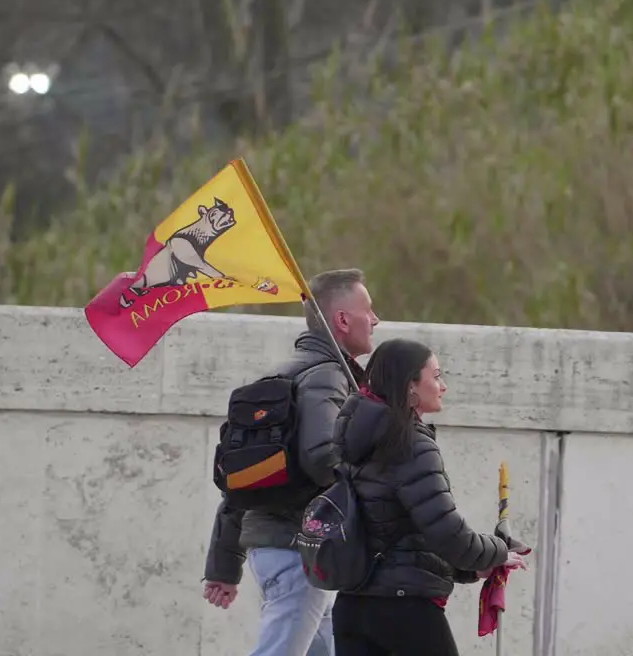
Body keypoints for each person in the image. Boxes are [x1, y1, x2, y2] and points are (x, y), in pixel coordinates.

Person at [203, 268, 380, 656]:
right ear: (342, 320)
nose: (375, 319)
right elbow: (322, 458)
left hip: (276, 548)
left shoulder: (279, 377)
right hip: (300, 551)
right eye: (368, 310)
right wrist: (377, 480)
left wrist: (223, 564)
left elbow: (238, 479)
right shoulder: (327, 376)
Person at [330, 338, 530, 656]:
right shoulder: (410, 443)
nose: (443, 386)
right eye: (436, 376)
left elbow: (398, 533)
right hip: (405, 610)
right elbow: (446, 532)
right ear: (410, 386)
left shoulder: (354, 439)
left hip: (353, 605)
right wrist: (497, 551)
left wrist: (469, 569)